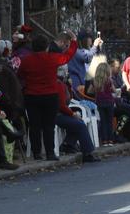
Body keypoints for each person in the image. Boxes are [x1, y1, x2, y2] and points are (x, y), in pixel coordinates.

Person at [18, 32, 78, 161]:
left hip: (32, 95)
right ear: (46, 47)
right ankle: (50, 152)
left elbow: (21, 75)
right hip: (50, 95)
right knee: (49, 125)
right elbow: (68, 56)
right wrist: (73, 41)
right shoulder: (52, 58)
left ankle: (37, 153)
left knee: (34, 126)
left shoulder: (26, 60)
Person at [54, 67, 100, 162]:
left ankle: (68, 144)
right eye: (64, 70)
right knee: (80, 125)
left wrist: (69, 86)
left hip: (62, 113)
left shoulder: (63, 84)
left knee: (79, 121)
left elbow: (69, 99)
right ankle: (87, 153)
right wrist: (73, 114)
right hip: (56, 115)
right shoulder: (58, 84)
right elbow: (61, 105)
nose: (67, 72)